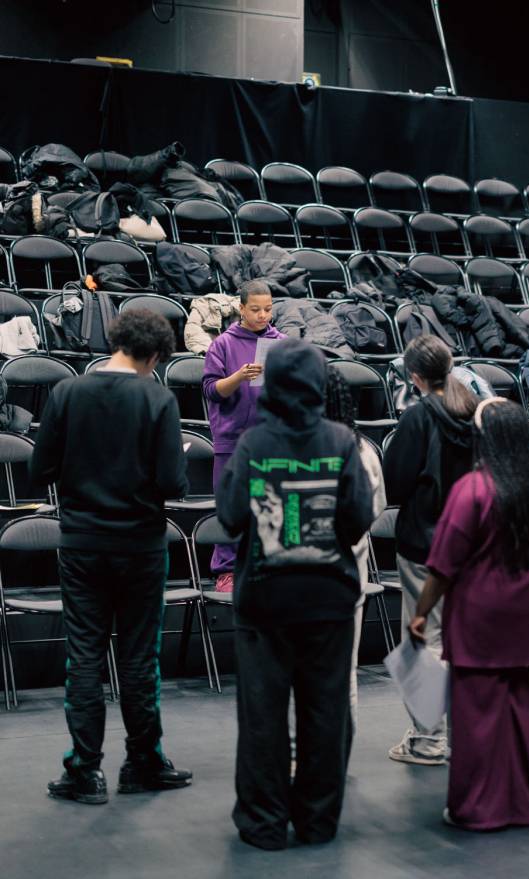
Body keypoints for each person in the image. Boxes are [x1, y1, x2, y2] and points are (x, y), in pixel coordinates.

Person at [216, 339, 374, 850]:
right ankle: (317, 820)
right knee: (326, 712)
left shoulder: (253, 443)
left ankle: (263, 822)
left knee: (262, 715)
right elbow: (359, 519)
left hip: (264, 601)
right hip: (327, 598)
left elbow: (231, 516)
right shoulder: (342, 439)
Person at [30, 310, 191, 806]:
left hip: (81, 544)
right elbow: (172, 484)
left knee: (84, 659)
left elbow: (41, 471)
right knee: (140, 659)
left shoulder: (67, 392)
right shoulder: (158, 398)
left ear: (117, 340)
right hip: (140, 547)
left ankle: (85, 771)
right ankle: (143, 762)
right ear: (157, 355)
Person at [409, 399, 529, 830]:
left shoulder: (473, 489)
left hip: (483, 620)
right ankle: (518, 805)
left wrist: (421, 613)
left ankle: (476, 808)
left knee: (476, 720)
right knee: (524, 718)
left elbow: (442, 565)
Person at [384, 335, 477, 765]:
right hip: (469, 540)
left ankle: (427, 739)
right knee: (461, 639)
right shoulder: (472, 409)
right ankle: (462, 733)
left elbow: (396, 483)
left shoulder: (418, 418)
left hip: (424, 541)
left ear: (416, 378)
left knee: (424, 638)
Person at [202, 279, 285, 593]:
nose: (263, 315)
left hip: (269, 437)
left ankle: (265, 565)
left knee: (269, 504)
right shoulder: (223, 343)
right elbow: (212, 390)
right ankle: (226, 570)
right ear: (241, 308)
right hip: (232, 437)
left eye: (267, 309)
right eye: (255, 309)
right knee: (230, 505)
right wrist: (238, 377)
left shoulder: (281, 342)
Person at [323, 368, 388, 713]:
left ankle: (297, 753)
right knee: (343, 666)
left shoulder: (284, 447)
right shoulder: (363, 451)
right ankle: (337, 751)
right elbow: (374, 510)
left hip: (298, 574)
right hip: (350, 569)